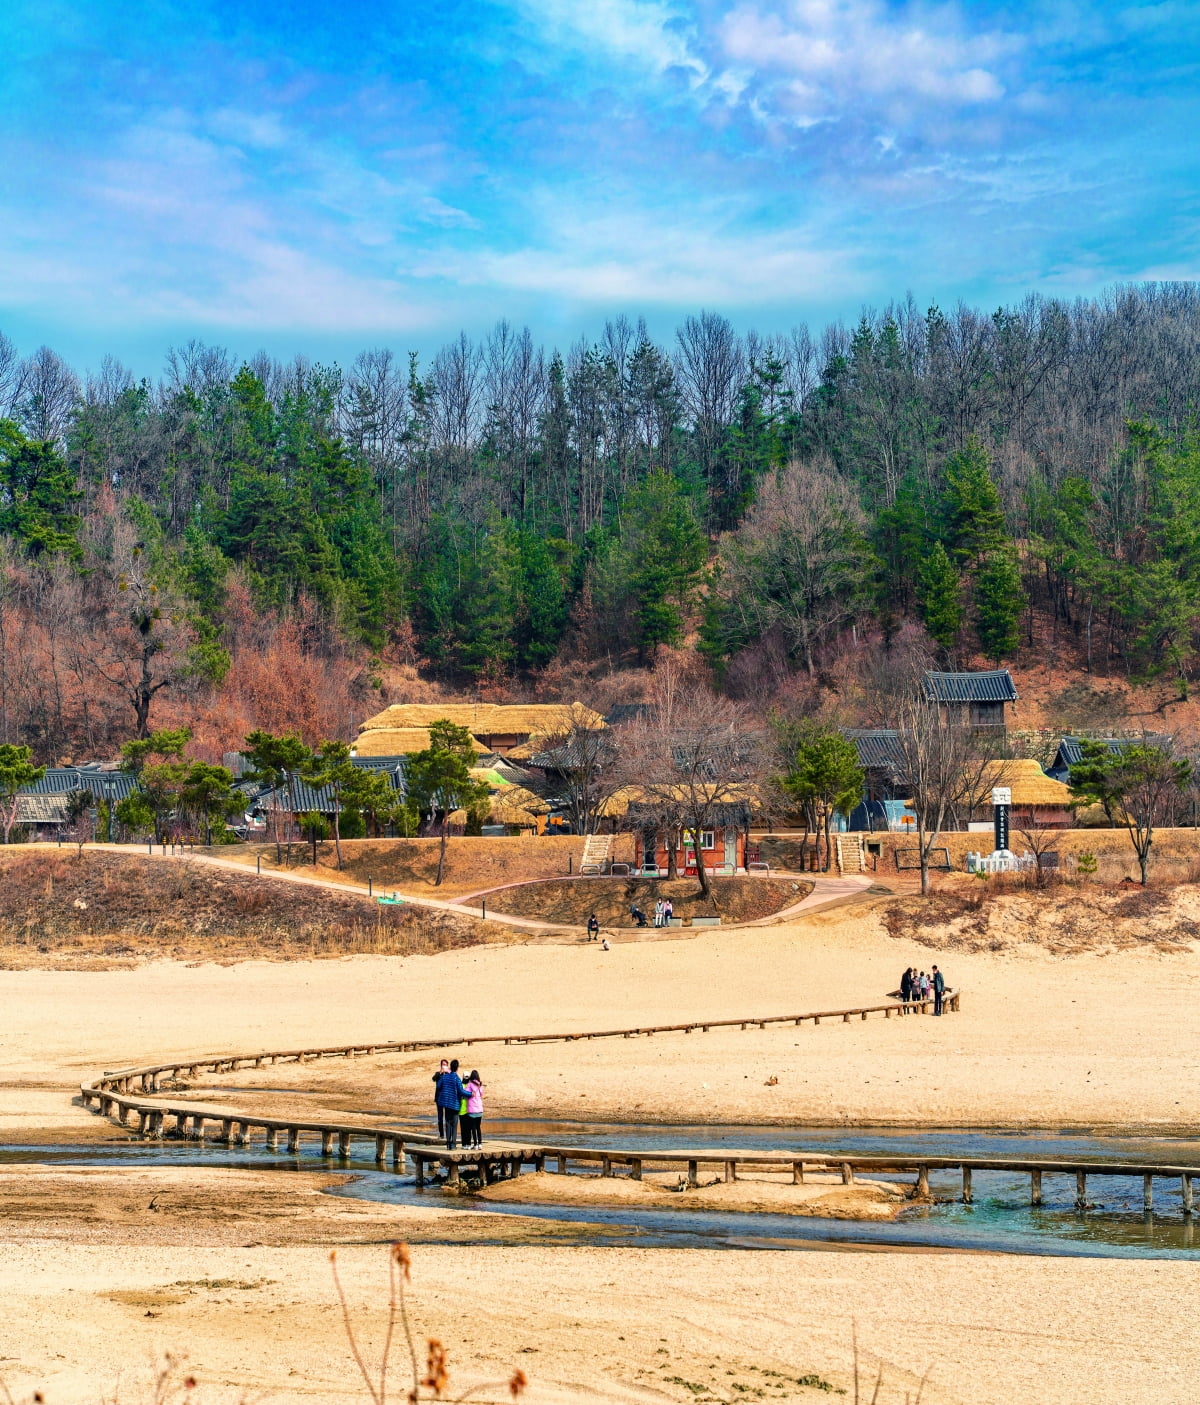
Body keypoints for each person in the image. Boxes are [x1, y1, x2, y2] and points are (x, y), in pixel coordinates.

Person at [436, 1057, 466, 1150]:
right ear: (457, 1068)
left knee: (448, 1123)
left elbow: (438, 1085)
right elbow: (461, 1091)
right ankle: (453, 1144)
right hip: (455, 1104)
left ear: (450, 1067)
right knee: (454, 1124)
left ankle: (448, 1144)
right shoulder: (456, 1078)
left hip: (446, 1104)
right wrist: (471, 1094)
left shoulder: (445, 1076)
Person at [462, 1070, 484, 1147]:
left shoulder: (470, 1084)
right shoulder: (480, 1085)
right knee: (478, 1127)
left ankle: (475, 1144)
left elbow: (465, 1093)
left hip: (472, 1110)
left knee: (473, 1128)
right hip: (480, 1109)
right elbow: (481, 1094)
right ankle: (480, 1143)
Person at [431, 1058, 450, 1137]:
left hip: (447, 1098)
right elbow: (433, 1079)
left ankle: (448, 1134)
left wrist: (448, 1072)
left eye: (445, 1065)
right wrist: (440, 1072)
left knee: (448, 1117)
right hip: (439, 1098)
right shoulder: (438, 1074)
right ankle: (441, 1134)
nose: (444, 1066)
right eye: (443, 1065)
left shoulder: (449, 1074)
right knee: (440, 1117)